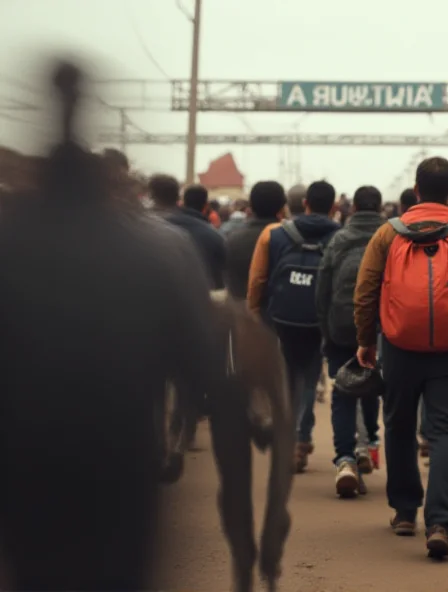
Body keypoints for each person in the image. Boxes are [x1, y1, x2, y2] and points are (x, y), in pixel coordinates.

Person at [0, 60, 218, 590]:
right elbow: (205, 366)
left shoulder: (10, 244)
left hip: (22, 467)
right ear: (117, 185)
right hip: (121, 465)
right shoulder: (159, 252)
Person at [354, 156, 448, 558]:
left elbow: (365, 291)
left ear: (416, 191)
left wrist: (366, 339)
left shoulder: (388, 233)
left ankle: (404, 511)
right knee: (447, 431)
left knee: (398, 425)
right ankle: (440, 522)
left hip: (399, 346)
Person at [247, 180, 340, 473]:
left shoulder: (273, 234)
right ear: (334, 206)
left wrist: (255, 315)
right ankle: (302, 438)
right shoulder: (340, 235)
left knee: (285, 378)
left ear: (304, 204)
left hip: (282, 319)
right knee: (311, 377)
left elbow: (258, 280)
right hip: (319, 319)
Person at [316, 185, 384, 498]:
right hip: (383, 326)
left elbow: (322, 289)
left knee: (343, 392)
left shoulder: (338, 239)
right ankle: (369, 444)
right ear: (380, 207)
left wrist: (326, 330)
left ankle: (344, 459)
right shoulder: (390, 238)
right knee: (372, 385)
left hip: (342, 324)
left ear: (353, 208)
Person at [149, 177, 227, 290]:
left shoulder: (156, 227)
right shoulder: (215, 236)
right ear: (205, 206)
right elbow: (222, 277)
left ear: (183, 202)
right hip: (201, 297)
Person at [225, 181, 286, 300]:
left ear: (250, 207)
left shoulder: (231, 238)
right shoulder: (288, 240)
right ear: (282, 207)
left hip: (238, 313)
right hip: (276, 313)